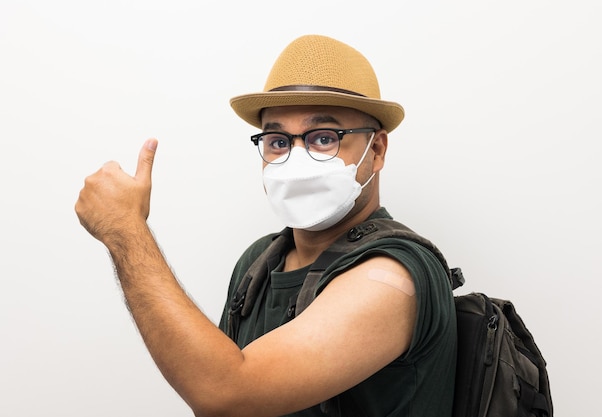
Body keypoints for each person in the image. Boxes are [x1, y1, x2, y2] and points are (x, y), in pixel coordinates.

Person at [75, 34, 457, 417]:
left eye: (323, 138)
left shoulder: (394, 276)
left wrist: (126, 231)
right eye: (277, 141)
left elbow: (226, 394)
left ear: (376, 151)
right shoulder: (259, 262)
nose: (295, 159)